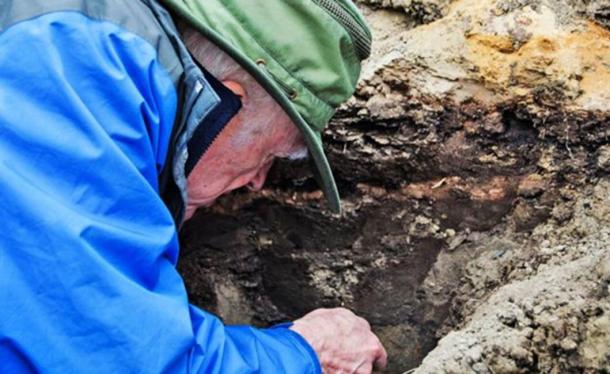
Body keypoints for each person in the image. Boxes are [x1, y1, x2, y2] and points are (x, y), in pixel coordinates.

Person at [0, 0, 387, 373]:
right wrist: (308, 356)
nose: (257, 181)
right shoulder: (74, 61)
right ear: (224, 106)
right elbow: (119, 355)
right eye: (270, 155)